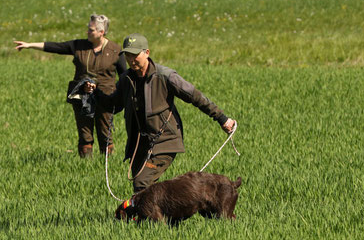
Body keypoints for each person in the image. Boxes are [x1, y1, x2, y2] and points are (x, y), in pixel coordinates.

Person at [87, 33, 236, 193]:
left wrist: (222, 119)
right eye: (128, 55)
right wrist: (95, 92)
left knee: (142, 183)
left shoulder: (165, 76)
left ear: (147, 53)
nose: (131, 60)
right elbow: (114, 105)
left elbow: (196, 97)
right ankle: (160, 216)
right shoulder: (126, 79)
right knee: (142, 188)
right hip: (139, 144)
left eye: (135, 55)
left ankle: (152, 216)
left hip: (164, 139)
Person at [14, 14, 127, 158]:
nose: (87, 32)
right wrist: (30, 45)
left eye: (91, 30)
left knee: (105, 134)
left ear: (101, 32)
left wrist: (120, 97)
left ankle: (106, 165)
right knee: (85, 135)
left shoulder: (116, 50)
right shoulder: (79, 45)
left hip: (106, 98)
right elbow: (56, 46)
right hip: (81, 97)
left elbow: (124, 77)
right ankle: (86, 165)